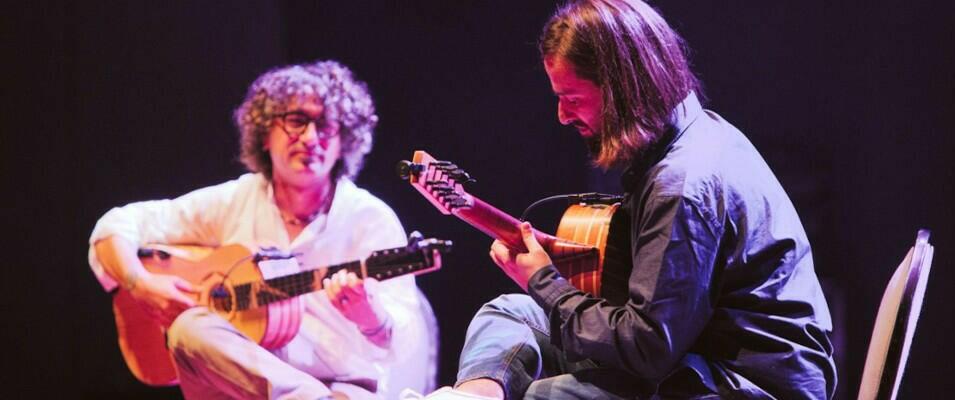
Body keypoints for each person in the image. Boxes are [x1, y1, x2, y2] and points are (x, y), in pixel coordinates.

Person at [407, 1, 836, 399]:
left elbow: (648, 347)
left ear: (620, 89)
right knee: (510, 312)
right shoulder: (695, 133)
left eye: (571, 99)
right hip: (689, 354)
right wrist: (545, 276)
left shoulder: (682, 185)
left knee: (540, 395)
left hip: (745, 382)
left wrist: (544, 281)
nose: (562, 115)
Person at [89, 60, 435, 400]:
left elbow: (404, 342)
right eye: (296, 121)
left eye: (326, 125)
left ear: (344, 140)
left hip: (344, 384)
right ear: (265, 133)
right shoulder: (237, 199)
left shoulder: (370, 219)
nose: (311, 137)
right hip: (246, 384)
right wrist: (141, 282)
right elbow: (117, 225)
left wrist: (370, 318)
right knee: (188, 328)